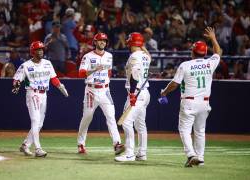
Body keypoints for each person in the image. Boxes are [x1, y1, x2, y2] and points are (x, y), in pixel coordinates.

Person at [158, 27, 222, 167]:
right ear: (205, 53)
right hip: (205, 103)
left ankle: (191, 155)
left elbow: (175, 84)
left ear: (192, 52)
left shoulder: (185, 65)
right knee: (200, 131)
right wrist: (213, 38)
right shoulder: (210, 63)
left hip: (189, 102)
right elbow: (218, 52)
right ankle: (200, 158)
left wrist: (164, 92)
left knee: (184, 130)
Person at [12, 41, 69, 157]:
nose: (41, 51)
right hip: (33, 93)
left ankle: (25, 145)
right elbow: (17, 79)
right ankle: (38, 148)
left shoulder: (47, 63)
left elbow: (53, 78)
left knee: (40, 123)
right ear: (32, 52)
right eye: (38, 49)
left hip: (44, 94)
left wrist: (61, 87)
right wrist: (16, 85)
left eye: (42, 49)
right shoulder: (26, 65)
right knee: (36, 120)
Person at [77, 32, 124, 156]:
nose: (102, 42)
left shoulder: (109, 55)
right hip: (91, 90)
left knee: (111, 117)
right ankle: (81, 144)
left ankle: (117, 144)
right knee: (87, 117)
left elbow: (108, 72)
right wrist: (94, 69)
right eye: (100, 40)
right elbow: (81, 73)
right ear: (95, 42)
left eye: (104, 40)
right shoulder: (87, 56)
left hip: (105, 90)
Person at [115, 32, 151, 162]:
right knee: (140, 125)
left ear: (131, 42)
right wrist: (142, 45)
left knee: (126, 122)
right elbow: (149, 56)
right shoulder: (145, 56)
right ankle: (142, 153)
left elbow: (134, 75)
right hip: (144, 93)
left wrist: (132, 94)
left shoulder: (134, 56)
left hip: (137, 92)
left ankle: (130, 154)